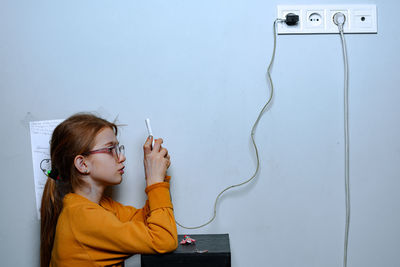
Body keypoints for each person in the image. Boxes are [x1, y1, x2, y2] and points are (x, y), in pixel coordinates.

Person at [40, 113, 178, 267]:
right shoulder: (84, 217)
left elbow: (148, 220)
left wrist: (156, 176)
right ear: (82, 164)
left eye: (118, 148)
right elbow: (164, 239)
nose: (121, 157)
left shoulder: (100, 207)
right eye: (111, 149)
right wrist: (155, 181)